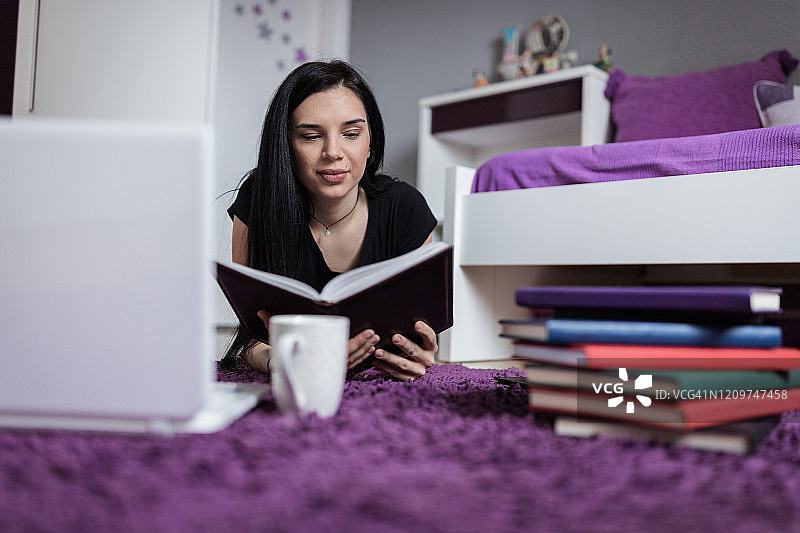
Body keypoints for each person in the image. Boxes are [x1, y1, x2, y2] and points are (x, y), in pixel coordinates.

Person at [221, 60, 439, 381]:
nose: (333, 152)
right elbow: (253, 336)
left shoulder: (405, 209)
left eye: (351, 133)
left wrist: (420, 353)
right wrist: (278, 360)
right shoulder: (259, 199)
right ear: (287, 146)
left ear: (370, 142)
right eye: (311, 136)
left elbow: (420, 334)